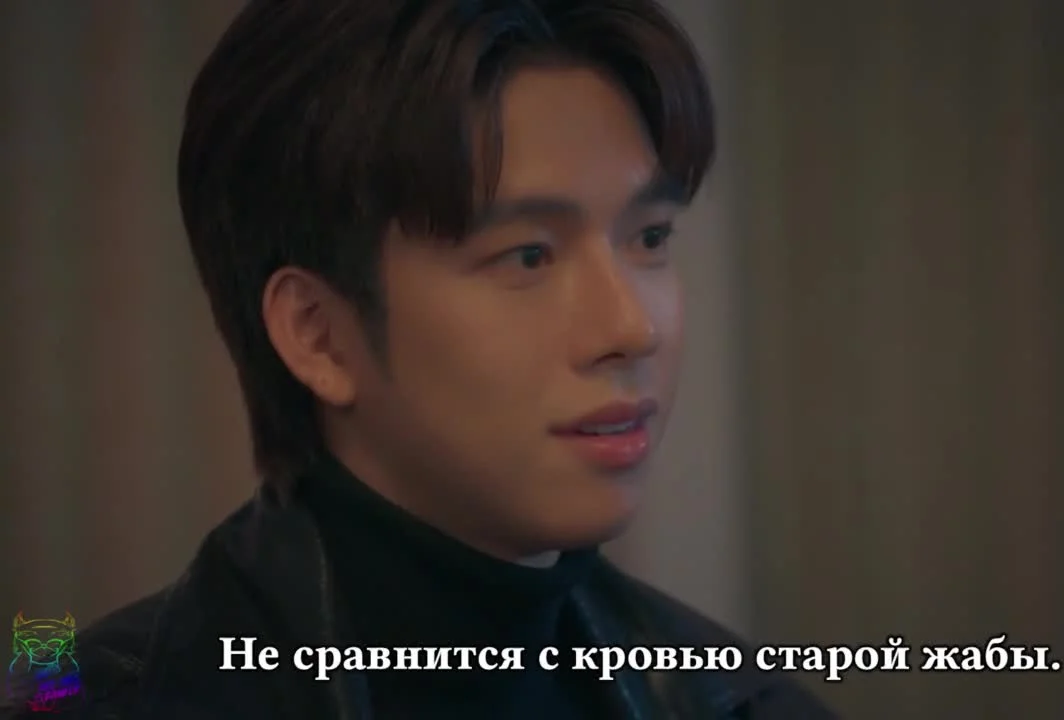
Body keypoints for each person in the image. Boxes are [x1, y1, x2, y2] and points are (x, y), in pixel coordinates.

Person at [2, 1, 836, 718]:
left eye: (649, 237)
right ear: (318, 334)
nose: (631, 327)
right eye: (528, 256)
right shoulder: (85, 695)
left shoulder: (735, 698)